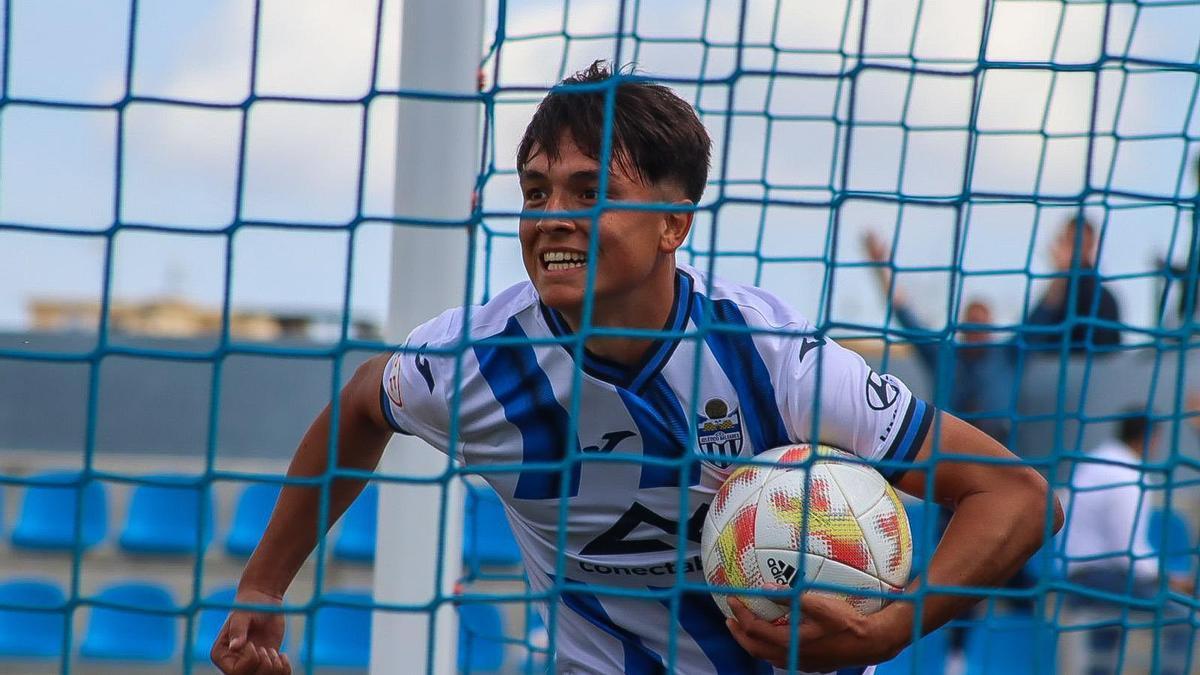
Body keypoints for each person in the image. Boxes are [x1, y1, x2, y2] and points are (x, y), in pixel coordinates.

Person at [209, 61, 1063, 675]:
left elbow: (1018, 494)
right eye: (536, 192)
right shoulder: (475, 361)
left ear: (673, 225)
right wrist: (264, 582)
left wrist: (885, 631)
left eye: (590, 193)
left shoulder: (773, 360)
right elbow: (363, 404)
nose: (552, 217)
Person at [1060, 412, 1194, 675]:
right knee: (1184, 618)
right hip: (1099, 578)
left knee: (1110, 625)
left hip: (1074, 576)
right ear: (1150, 438)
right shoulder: (1129, 475)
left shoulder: (1094, 461)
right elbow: (1127, 553)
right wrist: (1168, 578)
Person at [861, 232, 1016, 444]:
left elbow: (1045, 315)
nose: (976, 331)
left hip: (996, 452)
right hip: (947, 451)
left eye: (981, 325)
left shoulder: (1008, 355)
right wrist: (882, 267)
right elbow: (904, 314)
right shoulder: (943, 355)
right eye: (971, 324)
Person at [1025, 217, 1122, 352]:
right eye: (1068, 242)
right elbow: (1028, 339)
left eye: (1078, 244)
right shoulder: (1057, 292)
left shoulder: (1101, 299)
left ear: (1090, 246)